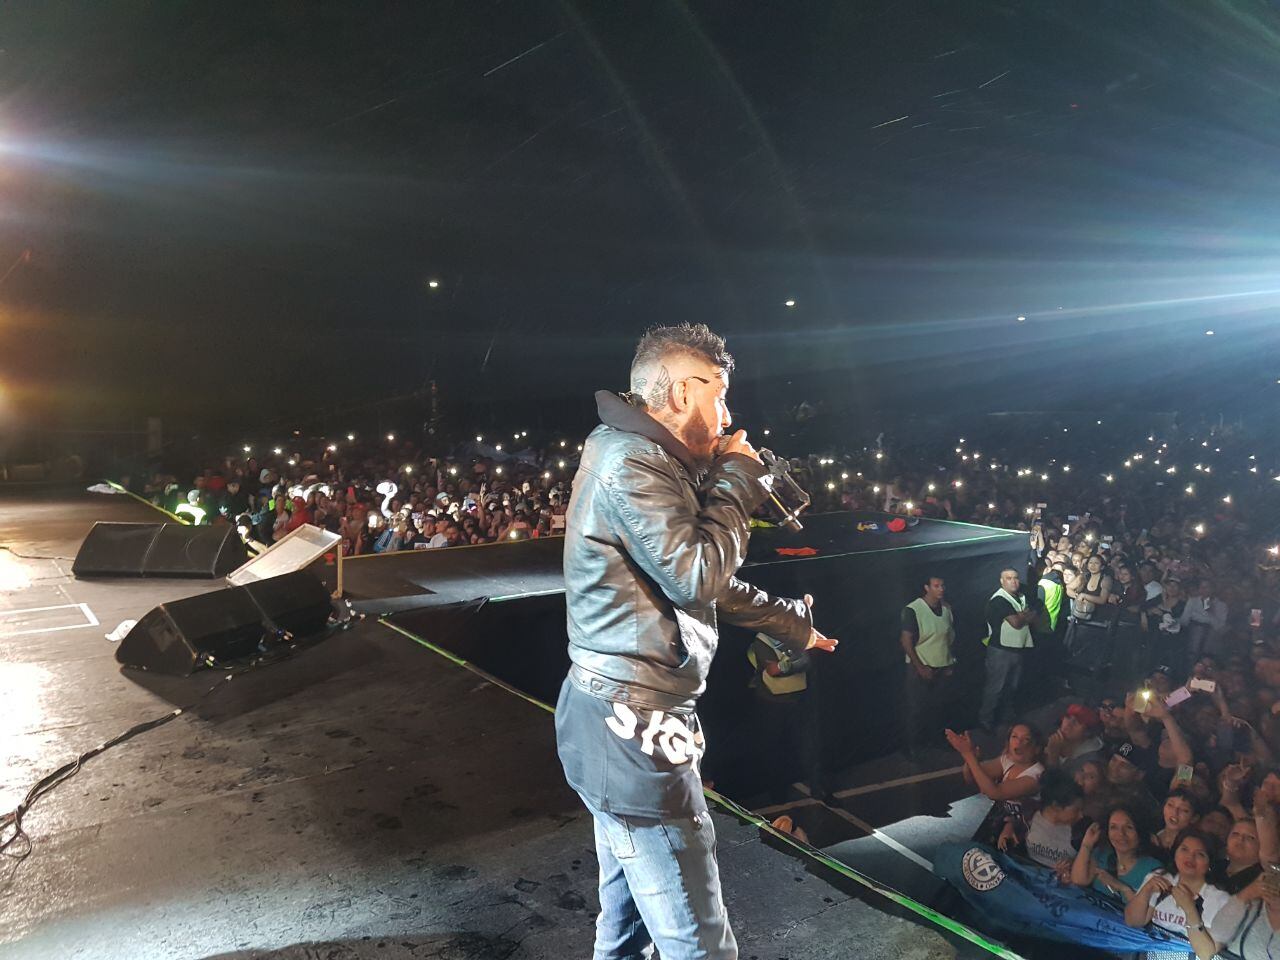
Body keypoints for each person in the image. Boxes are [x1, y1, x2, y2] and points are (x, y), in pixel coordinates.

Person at [554, 323, 838, 960]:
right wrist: (736, 478)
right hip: (633, 727)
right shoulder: (630, 463)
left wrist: (793, 623)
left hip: (618, 717)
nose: (731, 415)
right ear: (684, 392)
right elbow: (696, 575)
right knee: (697, 940)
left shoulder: (638, 455)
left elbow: (700, 578)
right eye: (722, 394)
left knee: (624, 928)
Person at [947, 722, 1044, 847]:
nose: (1018, 742)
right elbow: (973, 778)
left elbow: (995, 792)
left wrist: (968, 755)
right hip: (1005, 824)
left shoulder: (1036, 776)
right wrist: (971, 758)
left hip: (1028, 837)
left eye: (1026, 739)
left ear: (1037, 748)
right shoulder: (1007, 760)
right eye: (1014, 737)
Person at [1125, 827, 1230, 942]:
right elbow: (1132, 921)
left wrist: (1190, 909)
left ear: (1210, 862)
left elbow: (1208, 951)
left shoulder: (1218, 899)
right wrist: (1146, 889)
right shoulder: (1159, 877)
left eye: (1200, 854)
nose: (1190, 857)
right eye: (1184, 849)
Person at [899, 575, 957, 757]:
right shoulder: (913, 609)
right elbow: (906, 641)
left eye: (942, 585)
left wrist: (949, 661)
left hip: (942, 664)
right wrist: (920, 667)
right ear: (926, 587)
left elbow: (949, 637)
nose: (941, 589)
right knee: (916, 709)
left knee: (939, 707)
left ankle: (936, 740)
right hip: (921, 667)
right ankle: (912, 747)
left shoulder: (947, 608)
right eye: (936, 586)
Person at [978, 568, 1037, 730]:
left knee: (1011, 686)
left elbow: (1033, 618)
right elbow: (1016, 623)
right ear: (1002, 581)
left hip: (1018, 649)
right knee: (995, 688)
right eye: (1009, 578)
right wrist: (1024, 615)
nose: (1014, 581)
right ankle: (986, 720)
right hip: (1000, 650)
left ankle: (1005, 717)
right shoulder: (999, 600)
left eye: (1016, 578)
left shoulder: (1020, 597)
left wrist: (1022, 615)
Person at [1071, 804, 1164, 903]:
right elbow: (1079, 880)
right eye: (1113, 827)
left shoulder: (1153, 868)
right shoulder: (1102, 854)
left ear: (1141, 831)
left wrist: (1122, 887)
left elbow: (1144, 915)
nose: (1121, 834)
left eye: (1129, 827)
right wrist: (1087, 845)